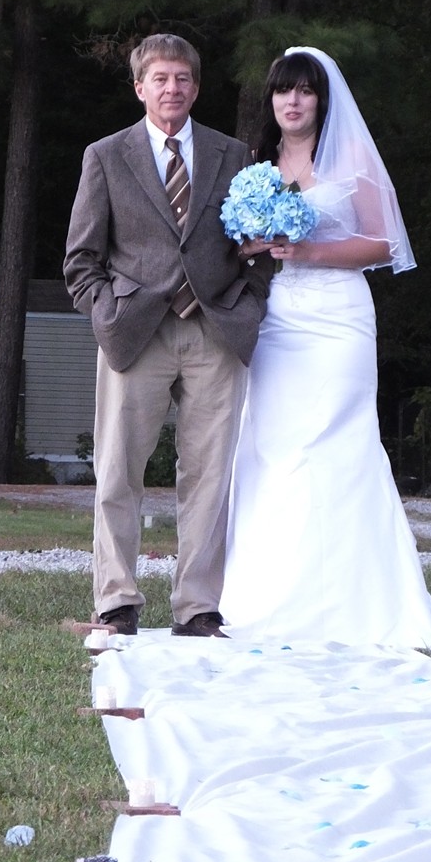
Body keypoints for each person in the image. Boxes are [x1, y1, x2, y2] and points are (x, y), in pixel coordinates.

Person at [219, 46, 431, 650]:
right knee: (272, 447)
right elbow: (236, 246)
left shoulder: (351, 158)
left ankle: (357, 604)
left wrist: (310, 251)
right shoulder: (257, 164)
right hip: (277, 318)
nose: (293, 101)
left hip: (337, 317)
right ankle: (267, 597)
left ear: (322, 100)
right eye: (283, 90)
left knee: (336, 444)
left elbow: (384, 244)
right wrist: (255, 245)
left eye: (305, 91)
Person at [64, 34, 272, 638]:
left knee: (209, 474)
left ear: (196, 87)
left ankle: (198, 606)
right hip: (136, 333)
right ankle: (116, 601)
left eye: (182, 78)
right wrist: (107, 313)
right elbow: (81, 260)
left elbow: (258, 245)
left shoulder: (234, 155)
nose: (172, 89)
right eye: (160, 79)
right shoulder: (106, 156)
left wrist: (248, 301)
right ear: (139, 87)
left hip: (215, 329)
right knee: (118, 470)